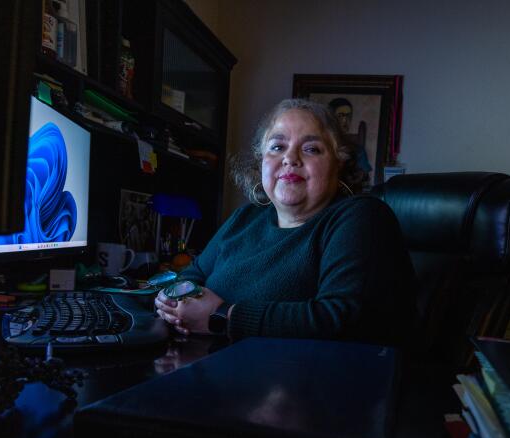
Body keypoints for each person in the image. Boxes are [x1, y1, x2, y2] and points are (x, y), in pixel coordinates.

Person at [154, 98, 415, 346]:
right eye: (277, 147)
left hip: (311, 383)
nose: (290, 159)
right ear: (261, 163)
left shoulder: (361, 217)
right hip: (212, 365)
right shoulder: (244, 218)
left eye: (311, 149)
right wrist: (171, 301)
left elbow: (338, 318)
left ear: (339, 164)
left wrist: (222, 316)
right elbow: (192, 275)